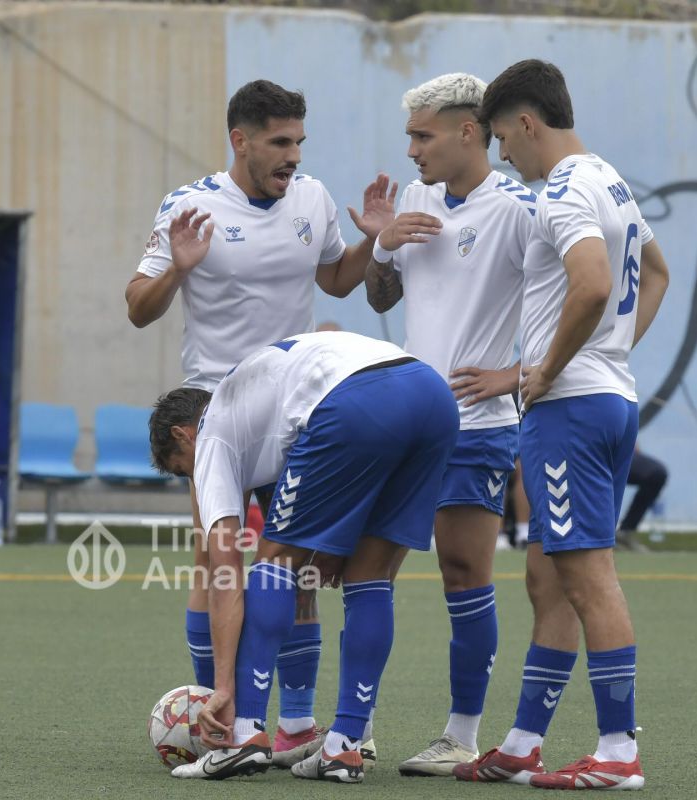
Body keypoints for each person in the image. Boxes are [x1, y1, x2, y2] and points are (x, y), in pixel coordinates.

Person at [125, 79, 395, 765]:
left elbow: (336, 281)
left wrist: (370, 243)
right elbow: (137, 306)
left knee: (296, 568)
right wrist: (176, 270)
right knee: (216, 566)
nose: (293, 157)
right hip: (214, 408)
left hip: (296, 407)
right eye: (280, 142)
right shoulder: (189, 207)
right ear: (240, 140)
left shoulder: (312, 198)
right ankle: (217, 717)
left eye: (299, 142)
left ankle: (295, 726)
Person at [453, 60, 669, 790]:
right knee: (547, 577)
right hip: (605, 401)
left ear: (524, 123)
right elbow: (657, 271)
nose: (502, 155)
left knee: (588, 578)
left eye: (501, 140)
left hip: (569, 411)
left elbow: (596, 284)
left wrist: (545, 371)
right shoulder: (609, 178)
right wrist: (610, 354)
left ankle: (617, 754)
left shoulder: (563, 192)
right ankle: (521, 743)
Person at [148, 331, 459, 782]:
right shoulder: (257, 400)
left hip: (356, 397)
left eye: (183, 469)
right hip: (433, 397)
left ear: (184, 434)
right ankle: (344, 746)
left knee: (272, 562)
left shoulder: (213, 436)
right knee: (370, 575)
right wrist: (326, 548)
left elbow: (225, 572)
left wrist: (224, 688)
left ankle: (246, 735)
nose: (192, 482)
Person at [364, 73, 534, 776]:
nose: (411, 150)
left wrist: (518, 376)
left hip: (478, 425)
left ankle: (461, 736)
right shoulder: (416, 198)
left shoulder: (523, 209)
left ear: (470, 131)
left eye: (422, 135)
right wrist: (380, 245)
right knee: (364, 571)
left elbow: (582, 302)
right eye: (409, 135)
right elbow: (383, 292)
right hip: (405, 421)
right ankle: (353, 731)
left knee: (464, 573)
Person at [616, 445, 668, 551]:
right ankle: (597, 537)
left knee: (657, 473)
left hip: (618, 451)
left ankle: (624, 533)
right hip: (588, 451)